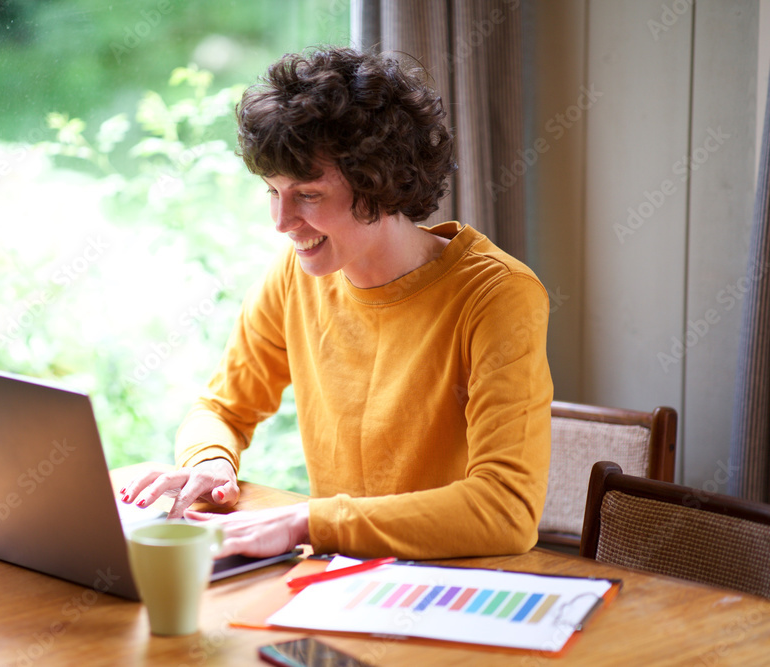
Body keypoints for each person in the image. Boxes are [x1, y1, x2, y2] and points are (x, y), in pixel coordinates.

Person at [121, 47, 553, 561]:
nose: (281, 222)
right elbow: (221, 409)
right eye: (272, 191)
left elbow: (506, 510)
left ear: (379, 180)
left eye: (306, 194)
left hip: (455, 582)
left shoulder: (496, 295)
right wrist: (210, 461)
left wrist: (305, 522)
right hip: (343, 577)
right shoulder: (295, 275)